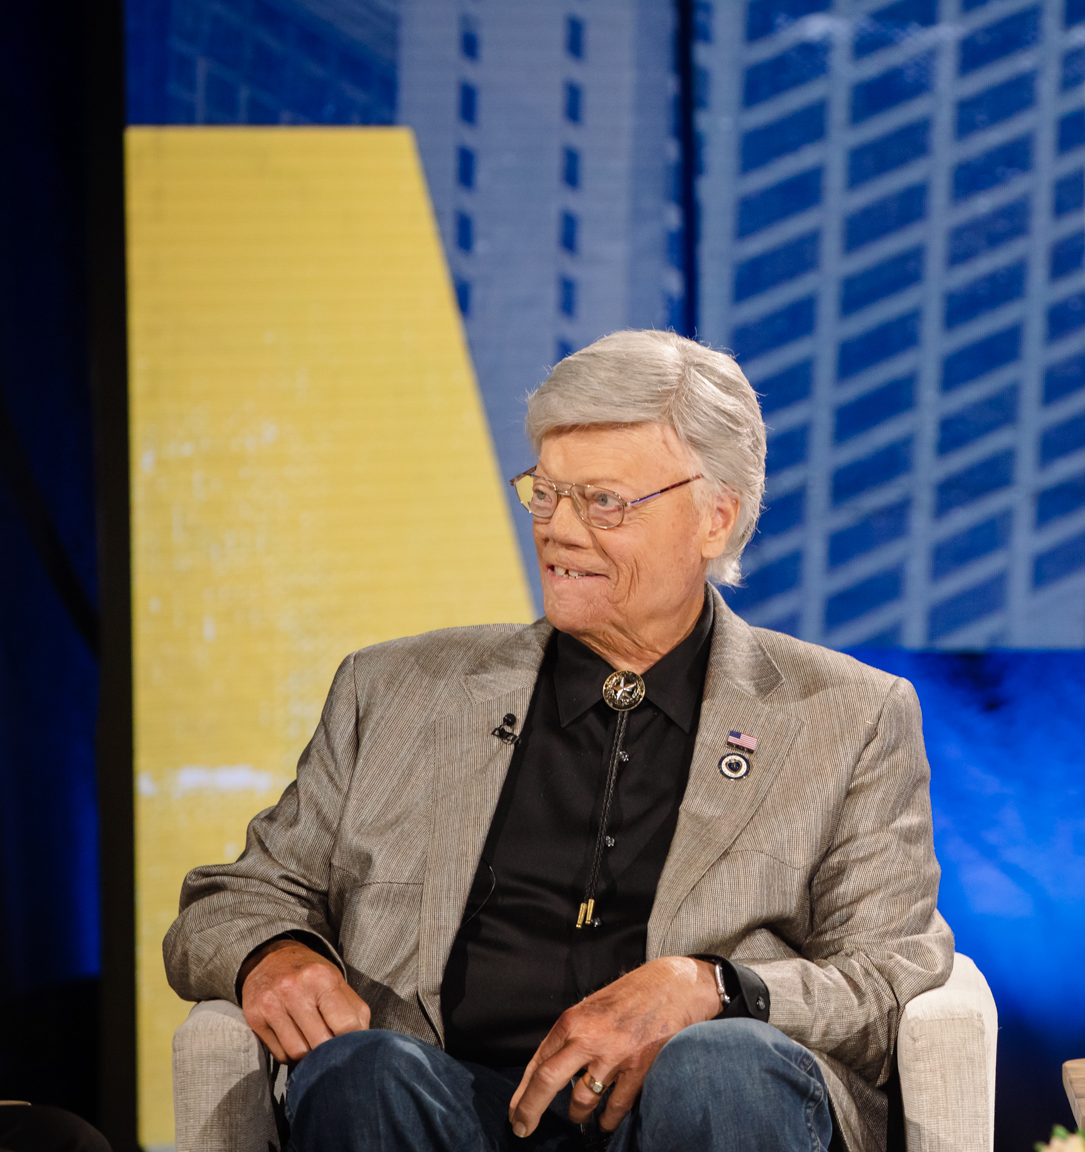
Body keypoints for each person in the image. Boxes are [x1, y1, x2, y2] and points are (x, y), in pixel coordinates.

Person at [163, 330, 953, 1152]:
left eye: (603, 501)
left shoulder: (849, 716)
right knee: (362, 1077)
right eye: (545, 493)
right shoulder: (393, 691)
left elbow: (886, 974)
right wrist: (273, 953)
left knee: (722, 1067)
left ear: (714, 519)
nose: (559, 530)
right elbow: (235, 898)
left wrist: (713, 988)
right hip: (446, 1103)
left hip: (687, 1112)